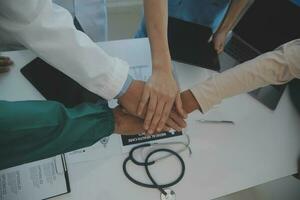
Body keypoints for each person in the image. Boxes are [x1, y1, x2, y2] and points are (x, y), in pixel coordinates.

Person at [0, 0, 186, 133]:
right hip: (20, 41)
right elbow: (30, 18)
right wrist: (123, 86)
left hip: (88, 23)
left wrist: (162, 66)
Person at [136, 0, 252, 54]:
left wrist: (223, 30)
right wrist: (160, 65)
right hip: (164, 10)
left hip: (202, 20)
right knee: (141, 54)